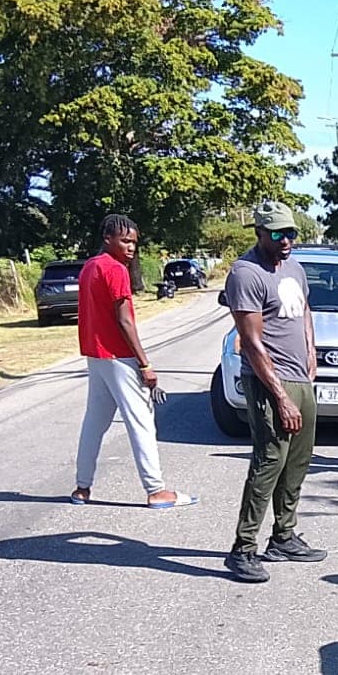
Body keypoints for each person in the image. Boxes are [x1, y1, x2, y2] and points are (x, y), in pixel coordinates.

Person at [223, 201, 326, 583]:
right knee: (269, 461)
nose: (287, 240)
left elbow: (305, 311)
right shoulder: (246, 273)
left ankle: (284, 536)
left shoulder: (295, 267)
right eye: (278, 234)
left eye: (292, 233)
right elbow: (250, 343)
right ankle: (243, 548)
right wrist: (280, 397)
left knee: (298, 460)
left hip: (300, 376)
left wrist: (312, 349)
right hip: (269, 381)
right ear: (259, 233)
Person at [69, 213, 197, 509]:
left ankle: (82, 487)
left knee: (94, 423)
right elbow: (125, 320)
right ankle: (156, 491)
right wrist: (145, 364)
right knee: (141, 423)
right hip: (119, 356)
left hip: (96, 356)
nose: (131, 247)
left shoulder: (90, 266)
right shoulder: (115, 269)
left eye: (134, 242)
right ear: (108, 238)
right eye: (125, 241)